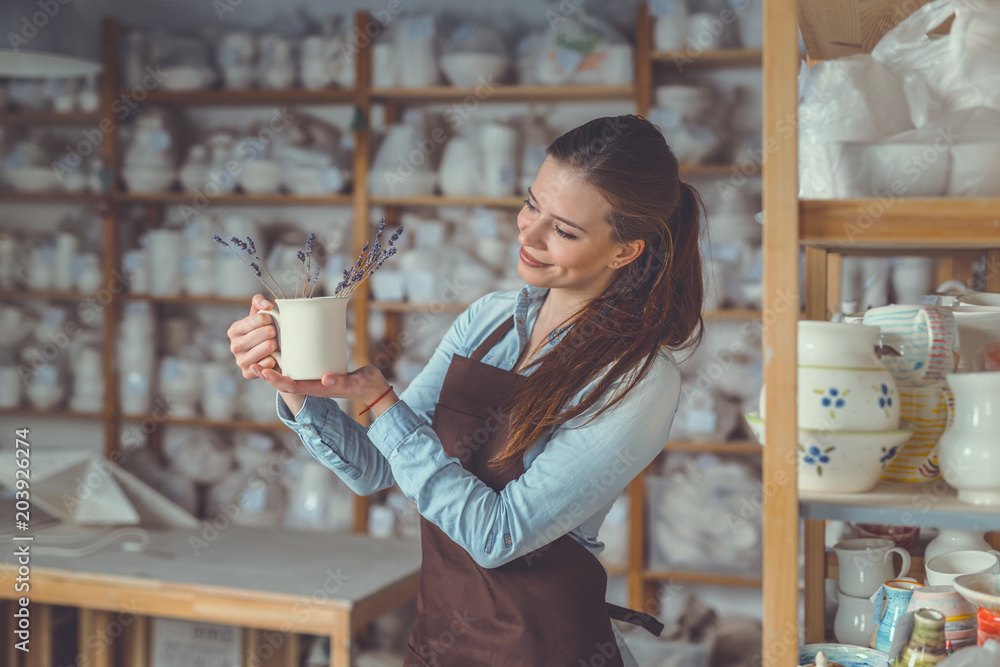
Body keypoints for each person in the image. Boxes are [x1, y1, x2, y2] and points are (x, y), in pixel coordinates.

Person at [227, 114, 705, 666]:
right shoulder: (489, 321)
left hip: (544, 649)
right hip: (440, 640)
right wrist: (293, 387)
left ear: (624, 251)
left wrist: (382, 401)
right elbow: (375, 470)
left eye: (565, 231)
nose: (527, 234)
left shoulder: (636, 378)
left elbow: (497, 535)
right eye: (531, 205)